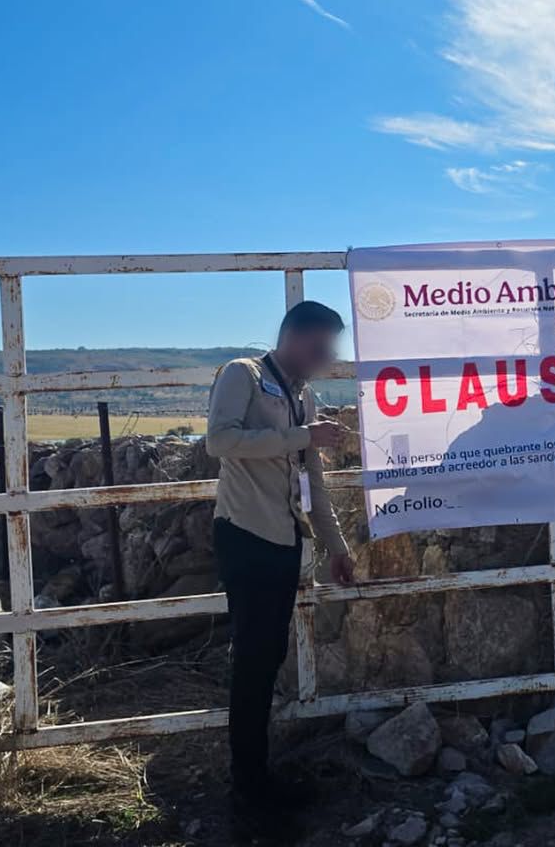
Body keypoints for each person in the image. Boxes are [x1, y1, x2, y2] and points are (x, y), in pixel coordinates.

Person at [206, 300, 353, 838]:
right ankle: (248, 792)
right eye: (319, 347)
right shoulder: (242, 374)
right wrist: (302, 436)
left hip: (284, 539)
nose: (326, 358)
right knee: (252, 662)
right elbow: (220, 441)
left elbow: (313, 482)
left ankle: (258, 780)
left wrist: (336, 546)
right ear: (293, 337)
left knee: (267, 659)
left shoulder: (302, 395)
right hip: (246, 535)